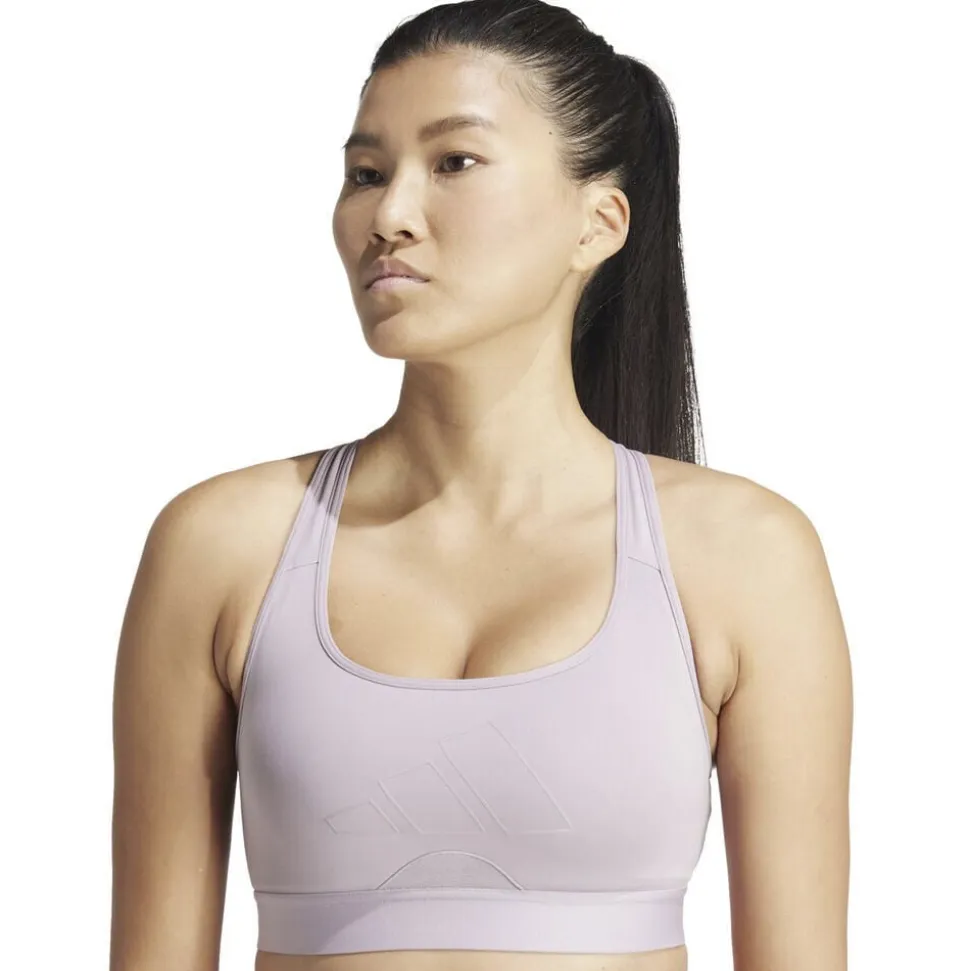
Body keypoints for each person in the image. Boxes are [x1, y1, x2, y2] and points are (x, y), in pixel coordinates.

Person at [109, 2, 853, 970]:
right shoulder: (224, 544)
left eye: (454, 162)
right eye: (365, 173)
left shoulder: (743, 555)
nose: (389, 214)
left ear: (598, 223)